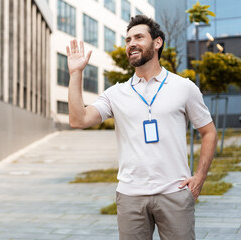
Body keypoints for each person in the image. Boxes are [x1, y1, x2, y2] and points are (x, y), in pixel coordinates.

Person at [66, 15, 218, 240]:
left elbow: (209, 132)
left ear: (157, 43)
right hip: (130, 196)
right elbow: (78, 120)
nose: (131, 44)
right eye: (128, 40)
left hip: (174, 193)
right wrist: (76, 73)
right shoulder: (116, 93)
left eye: (138, 37)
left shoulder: (184, 87)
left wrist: (200, 177)